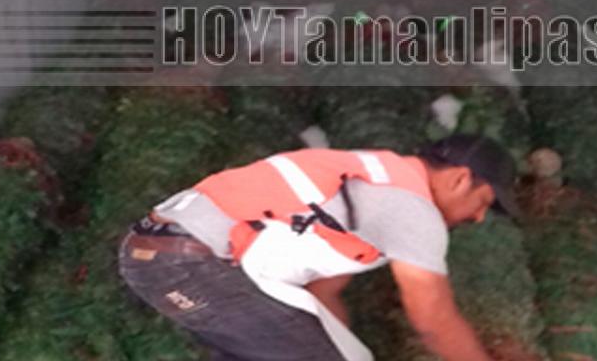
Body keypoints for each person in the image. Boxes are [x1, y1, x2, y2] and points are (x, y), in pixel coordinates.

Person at [118, 133, 520, 361]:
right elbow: (433, 319)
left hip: (163, 255)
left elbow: (322, 297)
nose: (478, 217)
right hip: (188, 261)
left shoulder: (376, 181)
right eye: (484, 203)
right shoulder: (410, 206)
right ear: (460, 179)